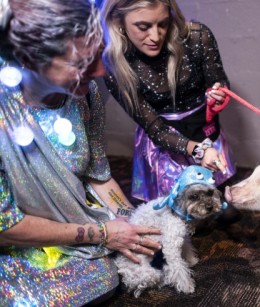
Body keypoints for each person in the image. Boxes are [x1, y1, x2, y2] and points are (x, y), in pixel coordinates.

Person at [0, 0, 161, 305]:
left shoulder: (86, 96)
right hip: (13, 240)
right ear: (27, 59)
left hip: (70, 226)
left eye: (98, 55)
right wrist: (101, 234)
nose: (100, 70)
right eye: (80, 63)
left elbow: (98, 175)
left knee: (120, 268)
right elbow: (4, 228)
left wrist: (135, 220)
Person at [101, 0, 236, 202]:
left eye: (163, 24)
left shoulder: (198, 37)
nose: (155, 37)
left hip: (206, 132)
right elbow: (154, 128)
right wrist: (199, 150)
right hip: (163, 147)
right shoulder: (113, 64)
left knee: (221, 211)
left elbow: (219, 81)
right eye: (143, 27)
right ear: (118, 20)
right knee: (173, 216)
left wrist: (219, 94)